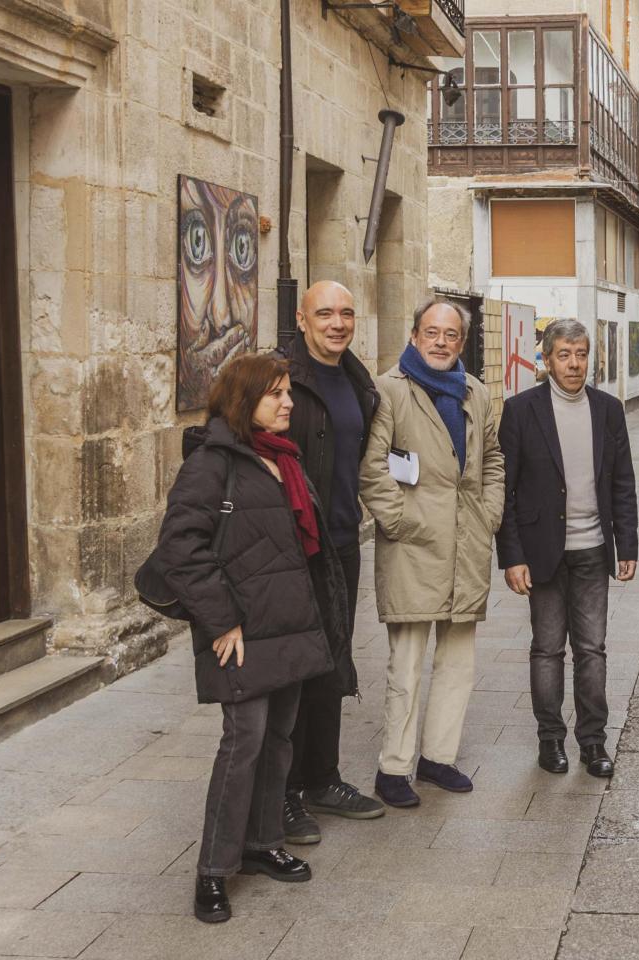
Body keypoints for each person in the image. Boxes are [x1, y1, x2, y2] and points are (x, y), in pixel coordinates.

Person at [153, 353, 348, 923]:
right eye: (276, 395)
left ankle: (262, 844)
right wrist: (222, 621)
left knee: (278, 739)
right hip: (240, 630)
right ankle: (213, 871)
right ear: (245, 402)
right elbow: (180, 550)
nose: (288, 403)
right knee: (244, 742)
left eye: (288, 393)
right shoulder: (212, 464)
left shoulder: (279, 457)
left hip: (286, 623)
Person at [360, 299, 505, 807]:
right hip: (413, 546)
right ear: (415, 335)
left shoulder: (475, 392)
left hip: (466, 543)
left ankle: (438, 758)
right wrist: (401, 520)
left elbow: (493, 459)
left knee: (458, 662)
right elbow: (372, 468)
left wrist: (489, 514)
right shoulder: (388, 390)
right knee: (407, 664)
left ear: (462, 342)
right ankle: (393, 769)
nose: (441, 342)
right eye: (432, 332)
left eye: (450, 334)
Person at [497, 318, 639, 778]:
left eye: (581, 354)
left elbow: (623, 481)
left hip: (593, 550)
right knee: (546, 649)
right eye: (564, 354)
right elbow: (507, 490)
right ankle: (550, 739)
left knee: (592, 649)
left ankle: (593, 743)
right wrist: (512, 556)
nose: (574, 363)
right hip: (542, 552)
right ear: (547, 358)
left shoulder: (608, 409)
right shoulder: (521, 411)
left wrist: (627, 544)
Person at [277, 281, 385, 844]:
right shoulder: (282, 379)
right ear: (302, 318)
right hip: (296, 548)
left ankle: (323, 777)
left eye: (346, 313)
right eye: (325, 313)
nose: (337, 323)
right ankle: (286, 793)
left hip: (344, 541)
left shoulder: (359, 379)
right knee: (296, 667)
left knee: (334, 660)